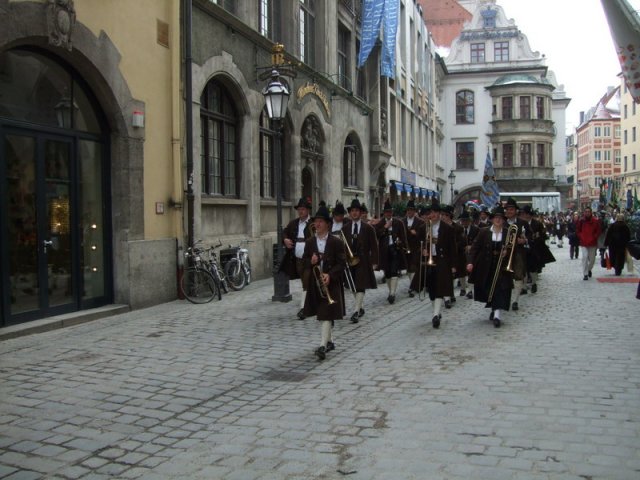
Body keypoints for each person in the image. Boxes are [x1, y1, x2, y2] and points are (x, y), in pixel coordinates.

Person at [302, 202, 346, 361]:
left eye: (320, 221)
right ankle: (330, 340)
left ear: (328, 224)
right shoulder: (309, 243)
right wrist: (311, 261)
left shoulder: (336, 242)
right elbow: (305, 262)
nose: (317, 224)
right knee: (322, 312)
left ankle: (322, 346)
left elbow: (342, 264)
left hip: (331, 283)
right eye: (316, 221)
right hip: (316, 283)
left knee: (326, 314)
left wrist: (330, 275)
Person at [409, 201, 457, 328]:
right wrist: (422, 250)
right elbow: (417, 245)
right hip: (427, 262)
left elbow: (452, 248)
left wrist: (453, 265)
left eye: (436, 213)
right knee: (430, 288)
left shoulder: (448, 229)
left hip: (442, 261)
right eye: (431, 213)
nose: (433, 215)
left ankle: (435, 315)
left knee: (439, 287)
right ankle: (436, 310)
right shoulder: (423, 228)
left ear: (440, 214)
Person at [467, 206, 514, 328]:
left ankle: (497, 315)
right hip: (486, 266)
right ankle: (494, 309)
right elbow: (475, 248)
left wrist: (506, 253)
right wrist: (470, 262)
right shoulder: (484, 232)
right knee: (489, 288)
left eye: (500, 218)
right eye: (496, 218)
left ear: (503, 220)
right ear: (492, 219)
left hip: (502, 267)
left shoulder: (508, 232)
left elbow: (513, 249)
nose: (498, 220)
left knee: (500, 289)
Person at [342, 197, 379, 323]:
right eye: (352, 211)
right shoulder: (345, 228)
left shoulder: (368, 228)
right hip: (350, 261)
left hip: (363, 261)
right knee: (353, 286)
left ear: (361, 212)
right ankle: (361, 307)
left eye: (357, 211)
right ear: (350, 213)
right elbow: (342, 246)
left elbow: (374, 246)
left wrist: (374, 262)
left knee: (360, 286)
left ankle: (356, 311)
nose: (354, 213)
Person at [281, 197, 314, 319]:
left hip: (310, 258)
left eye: (303, 209)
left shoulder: (313, 223)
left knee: (306, 281)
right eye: (299, 209)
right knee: (305, 282)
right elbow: (284, 232)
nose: (301, 211)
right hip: (297, 258)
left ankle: (303, 309)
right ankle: (310, 302)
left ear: (308, 210)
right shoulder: (294, 223)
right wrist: (285, 240)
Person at [375, 199, 408, 304]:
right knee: (388, 272)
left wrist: (404, 246)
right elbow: (377, 235)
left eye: (390, 212)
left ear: (392, 213)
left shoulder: (398, 222)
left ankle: (392, 293)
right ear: (384, 213)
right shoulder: (380, 223)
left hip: (395, 249)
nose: (388, 214)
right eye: (387, 212)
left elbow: (403, 236)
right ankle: (390, 292)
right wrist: (385, 228)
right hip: (385, 251)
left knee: (394, 271)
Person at [520, 205, 554, 293]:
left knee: (532, 268)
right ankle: (523, 287)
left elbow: (543, 235)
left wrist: (537, 237)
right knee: (523, 268)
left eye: (525, 213)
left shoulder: (537, 223)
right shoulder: (520, 223)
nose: (524, 215)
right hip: (523, 248)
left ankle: (534, 283)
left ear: (529, 214)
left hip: (534, 248)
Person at [503, 197, 529, 310]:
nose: (509, 211)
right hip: (504, 253)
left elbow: (529, 237)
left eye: (511, 209)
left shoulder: (522, 223)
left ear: (516, 211)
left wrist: (524, 240)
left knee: (518, 276)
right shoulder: (502, 222)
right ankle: (505, 298)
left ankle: (515, 300)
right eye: (507, 209)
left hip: (518, 252)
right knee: (504, 277)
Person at [402, 199, 425, 297]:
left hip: (416, 248)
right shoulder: (402, 221)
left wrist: (416, 234)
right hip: (405, 247)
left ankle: (412, 287)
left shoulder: (420, 222)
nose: (409, 212)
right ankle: (413, 285)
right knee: (408, 268)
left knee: (414, 267)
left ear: (414, 211)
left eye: (411, 210)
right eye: (408, 210)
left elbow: (423, 235)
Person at [576, 207, 602, 281]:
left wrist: (595, 237)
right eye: (586, 211)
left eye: (588, 211)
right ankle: (585, 274)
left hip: (592, 242)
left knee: (592, 260)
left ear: (591, 212)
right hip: (584, 242)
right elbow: (578, 230)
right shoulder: (581, 221)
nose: (587, 213)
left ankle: (589, 269)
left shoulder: (595, 221)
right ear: (584, 213)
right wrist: (581, 236)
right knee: (584, 257)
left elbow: (598, 230)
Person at [458, 210, 479, 298]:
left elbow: (478, 241)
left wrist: (471, 246)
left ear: (470, 221)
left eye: (466, 220)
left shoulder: (476, 229)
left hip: (471, 254)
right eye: (462, 220)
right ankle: (463, 288)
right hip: (461, 253)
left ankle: (470, 291)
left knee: (470, 271)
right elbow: (456, 241)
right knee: (461, 271)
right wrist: (463, 247)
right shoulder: (458, 229)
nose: (464, 222)